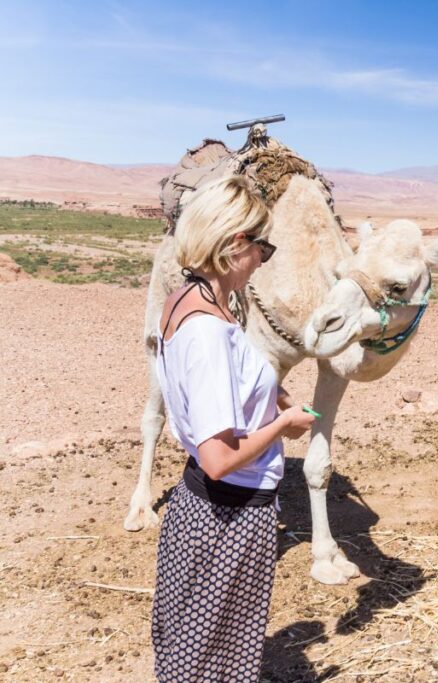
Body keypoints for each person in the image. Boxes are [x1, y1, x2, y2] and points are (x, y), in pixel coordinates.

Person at [150, 175, 316, 682]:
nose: (264, 260)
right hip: (229, 517)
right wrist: (285, 424)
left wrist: (274, 394)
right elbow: (219, 459)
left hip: (206, 510)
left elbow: (234, 376)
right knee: (211, 660)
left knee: (196, 647)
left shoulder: (191, 299)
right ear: (234, 244)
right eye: (262, 248)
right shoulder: (207, 330)